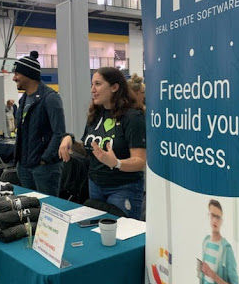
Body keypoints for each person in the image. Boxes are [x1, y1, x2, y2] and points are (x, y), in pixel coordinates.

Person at [58, 67, 146, 219]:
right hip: (95, 185)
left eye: (98, 84)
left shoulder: (133, 117)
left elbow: (140, 161)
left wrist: (116, 163)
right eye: (92, 85)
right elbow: (90, 150)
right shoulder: (95, 114)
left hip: (123, 188)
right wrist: (69, 139)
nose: (93, 90)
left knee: (122, 235)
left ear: (114, 87)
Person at [14, 51, 66, 196]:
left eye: (17, 74)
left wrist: (44, 159)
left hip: (44, 169)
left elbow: (59, 132)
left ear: (28, 74)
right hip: (24, 166)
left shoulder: (50, 98)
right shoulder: (23, 100)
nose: (14, 78)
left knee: (48, 209)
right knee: (29, 208)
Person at [194, 200, 239, 284]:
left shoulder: (226, 249)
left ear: (222, 220)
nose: (214, 220)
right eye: (212, 215)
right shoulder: (206, 242)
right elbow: (204, 279)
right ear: (208, 216)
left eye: (218, 217)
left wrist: (213, 275)